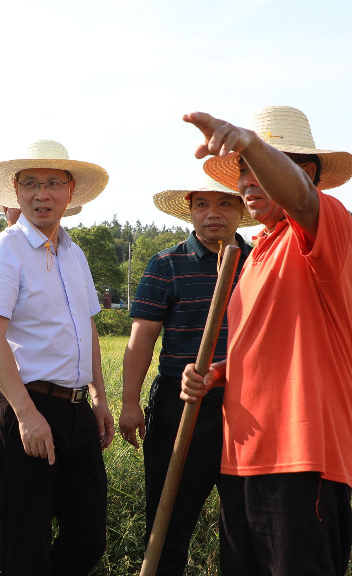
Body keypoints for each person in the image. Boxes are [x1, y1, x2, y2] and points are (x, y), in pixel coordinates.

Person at [180, 106, 352, 576]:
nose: (246, 181)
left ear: (307, 173)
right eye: (242, 170)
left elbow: (299, 198)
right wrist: (215, 374)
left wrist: (251, 144)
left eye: (259, 167)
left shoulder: (325, 224)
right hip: (242, 458)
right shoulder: (257, 250)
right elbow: (262, 348)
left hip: (301, 456)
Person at [0, 140, 114, 575]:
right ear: (16, 192)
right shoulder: (4, 251)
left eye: (53, 183)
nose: (42, 194)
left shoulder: (74, 253)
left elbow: (86, 328)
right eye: (31, 184)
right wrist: (26, 414)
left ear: (70, 192)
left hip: (75, 410)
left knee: (88, 537)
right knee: (25, 544)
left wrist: (99, 397)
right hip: (25, 405)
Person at [119, 175, 254, 575]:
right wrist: (129, 403)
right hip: (181, 407)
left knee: (245, 525)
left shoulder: (259, 264)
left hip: (248, 409)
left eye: (224, 203)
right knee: (168, 524)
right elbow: (141, 339)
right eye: (202, 205)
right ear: (191, 212)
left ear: (241, 209)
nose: (213, 214)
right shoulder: (167, 265)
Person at [0, 191, 81, 437]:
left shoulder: (69, 254)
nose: (27, 207)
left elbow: (83, 328)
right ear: (5, 206)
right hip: (7, 384)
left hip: (66, 397)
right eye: (18, 201)